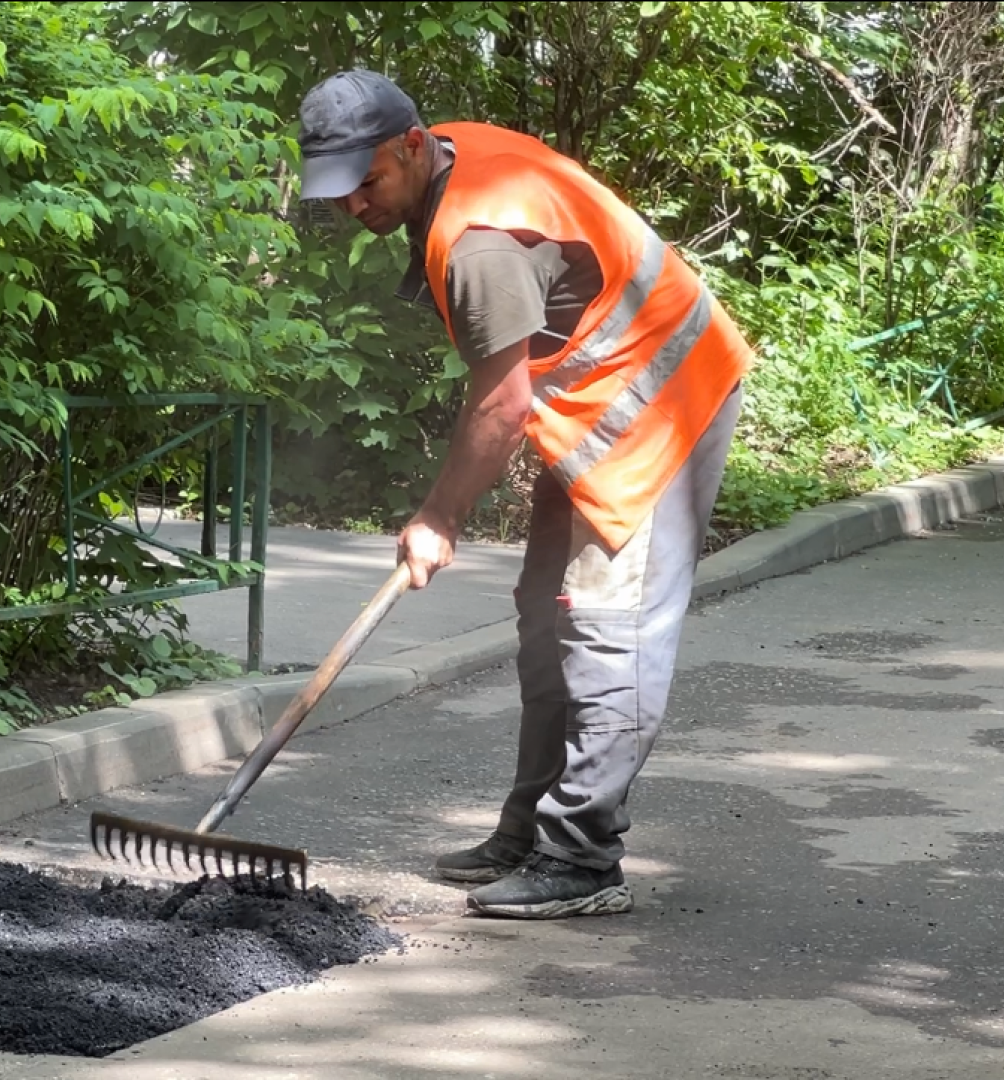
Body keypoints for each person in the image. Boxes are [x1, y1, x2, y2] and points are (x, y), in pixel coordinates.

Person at [294, 69, 754, 920]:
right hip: (598, 411)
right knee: (546, 615)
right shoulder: (454, 156)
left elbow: (501, 403)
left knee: (606, 630)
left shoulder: (478, 241)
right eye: (337, 192)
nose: (354, 205)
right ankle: (529, 831)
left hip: (666, 403)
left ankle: (581, 861)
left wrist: (440, 516)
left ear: (411, 145)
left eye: (367, 182)